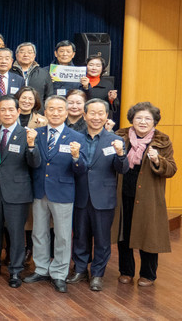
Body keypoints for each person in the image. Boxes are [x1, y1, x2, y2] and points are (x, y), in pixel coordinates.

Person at [24, 95, 87, 293]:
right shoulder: (37, 134)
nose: (56, 113)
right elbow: (32, 162)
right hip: (39, 190)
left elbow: (82, 169)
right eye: (51, 109)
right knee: (39, 233)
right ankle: (41, 269)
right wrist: (31, 145)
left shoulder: (76, 137)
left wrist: (76, 157)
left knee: (62, 236)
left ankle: (59, 273)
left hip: (63, 191)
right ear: (45, 112)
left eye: (60, 109)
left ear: (67, 112)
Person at [113, 102, 177, 287]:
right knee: (123, 235)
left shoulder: (162, 141)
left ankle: (148, 275)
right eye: (138, 118)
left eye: (147, 118)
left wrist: (158, 160)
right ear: (131, 119)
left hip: (149, 197)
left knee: (149, 235)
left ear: (154, 122)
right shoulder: (120, 137)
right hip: (123, 194)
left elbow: (171, 169)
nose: (142, 121)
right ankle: (126, 272)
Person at [67, 99, 128, 292]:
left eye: (100, 113)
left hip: (104, 197)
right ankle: (80, 269)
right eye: (92, 113)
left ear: (106, 116)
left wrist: (120, 154)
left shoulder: (115, 140)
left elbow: (123, 169)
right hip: (80, 195)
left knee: (102, 239)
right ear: (84, 116)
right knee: (80, 236)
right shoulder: (74, 137)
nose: (96, 117)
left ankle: (98, 274)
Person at [0, 96, 40, 288]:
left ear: (18, 111)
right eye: (2, 110)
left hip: (17, 191)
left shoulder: (27, 134)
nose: (7, 113)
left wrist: (31, 146)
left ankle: (15, 270)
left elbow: (34, 163)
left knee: (15, 234)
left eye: (11, 110)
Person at [79, 55, 120, 122]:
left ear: (102, 68)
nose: (94, 68)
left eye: (98, 66)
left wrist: (111, 100)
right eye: (91, 65)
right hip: (79, 118)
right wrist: (85, 87)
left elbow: (112, 108)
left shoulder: (108, 84)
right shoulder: (78, 82)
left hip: (98, 120)